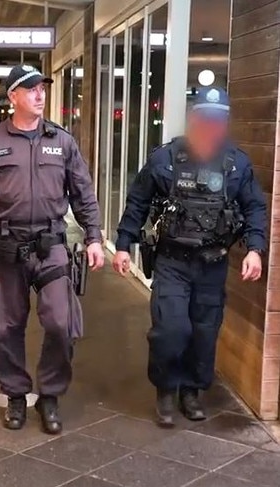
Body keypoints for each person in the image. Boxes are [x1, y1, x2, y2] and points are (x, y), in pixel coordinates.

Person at [0, 64, 105, 435]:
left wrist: (94, 236)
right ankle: (17, 396)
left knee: (60, 322)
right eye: (30, 89)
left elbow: (83, 193)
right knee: (6, 327)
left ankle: (50, 394)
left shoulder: (62, 141)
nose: (39, 95)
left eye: (42, 88)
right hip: (6, 247)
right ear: (13, 97)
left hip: (51, 245)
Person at [112, 87, 266, 427]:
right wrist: (123, 244)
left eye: (219, 119)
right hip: (172, 263)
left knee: (204, 332)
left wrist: (255, 249)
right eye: (205, 117)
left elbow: (255, 206)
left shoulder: (236, 163)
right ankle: (166, 389)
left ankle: (192, 391)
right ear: (194, 117)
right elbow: (138, 202)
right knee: (171, 328)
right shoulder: (165, 159)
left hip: (213, 263)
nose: (211, 125)